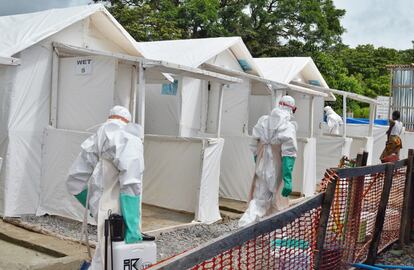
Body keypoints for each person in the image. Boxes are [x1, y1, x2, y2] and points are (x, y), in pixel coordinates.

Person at [66, 105, 144, 270]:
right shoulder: (128, 138)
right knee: (114, 257)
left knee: (104, 251)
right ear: (127, 121)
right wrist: (132, 225)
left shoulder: (96, 137)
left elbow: (74, 182)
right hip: (119, 209)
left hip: (102, 206)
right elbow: (131, 183)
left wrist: (95, 207)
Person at [239, 95, 298, 227]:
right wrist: (287, 178)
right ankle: (275, 234)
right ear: (291, 109)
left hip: (262, 164)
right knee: (278, 201)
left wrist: (258, 161)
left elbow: (254, 145)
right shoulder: (287, 126)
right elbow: (289, 153)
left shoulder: (263, 121)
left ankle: (243, 228)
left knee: (259, 199)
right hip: (276, 168)